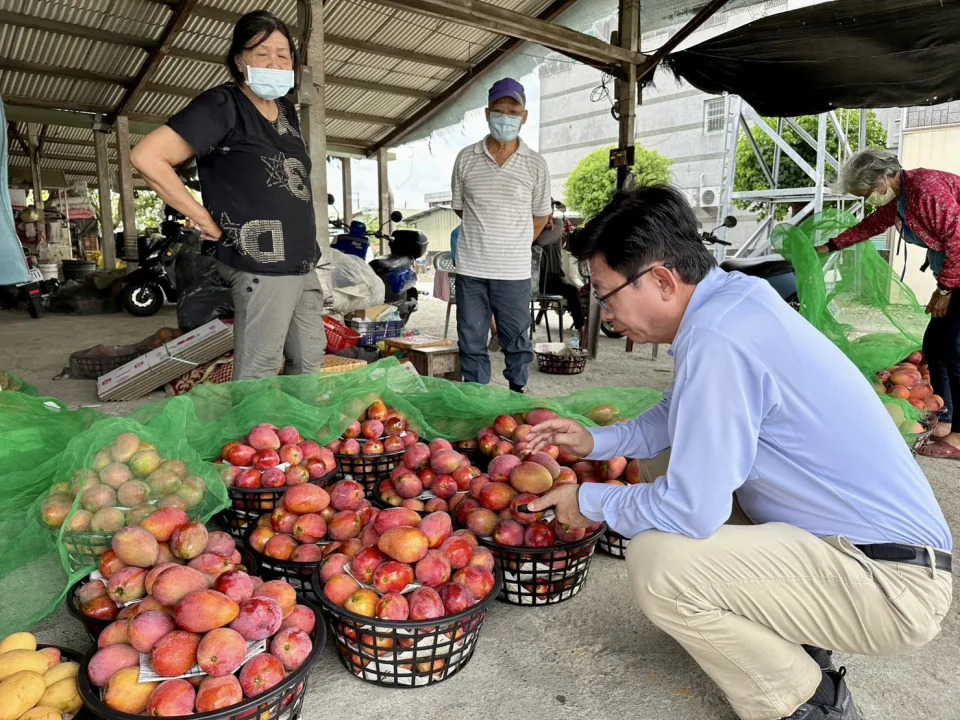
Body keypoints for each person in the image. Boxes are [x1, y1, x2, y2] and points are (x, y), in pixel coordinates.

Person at [525, 184, 952, 720]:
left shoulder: (718, 337)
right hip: (866, 551)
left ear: (660, 278)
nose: (606, 316)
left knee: (659, 563)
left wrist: (589, 500)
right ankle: (792, 627)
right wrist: (597, 441)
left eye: (608, 295)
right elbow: (678, 416)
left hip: (891, 584)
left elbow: (691, 511)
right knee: (665, 465)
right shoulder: (732, 302)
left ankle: (806, 699)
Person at [131, 10, 326, 380]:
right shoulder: (224, 105)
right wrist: (203, 218)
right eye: (262, 53)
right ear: (240, 60)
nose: (275, 62)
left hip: (301, 261)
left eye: (283, 55)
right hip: (259, 262)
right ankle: (250, 436)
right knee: (261, 367)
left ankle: (302, 437)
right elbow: (147, 156)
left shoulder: (286, 110)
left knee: (308, 359)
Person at [817, 150, 960, 459]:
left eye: (868, 192)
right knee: (935, 346)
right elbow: (870, 226)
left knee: (952, 348)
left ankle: (958, 434)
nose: (869, 199)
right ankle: (945, 418)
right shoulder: (901, 199)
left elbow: (957, 239)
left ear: (882, 179)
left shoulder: (927, 190)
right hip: (952, 275)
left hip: (957, 274)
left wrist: (945, 291)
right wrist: (829, 246)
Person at [451, 78, 552, 393]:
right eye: (499, 110)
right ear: (487, 113)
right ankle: (477, 394)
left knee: (517, 339)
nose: (505, 117)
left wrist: (515, 243)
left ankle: (517, 393)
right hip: (472, 269)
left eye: (513, 111)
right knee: (470, 337)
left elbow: (541, 215)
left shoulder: (535, 164)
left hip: (513, 271)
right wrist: (488, 233)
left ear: (524, 116)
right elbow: (461, 209)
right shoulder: (466, 158)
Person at [535, 212, 585, 337]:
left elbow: (541, 241)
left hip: (553, 278)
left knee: (572, 291)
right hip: (530, 278)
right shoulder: (529, 223)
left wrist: (537, 226)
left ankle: (582, 331)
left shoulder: (557, 222)